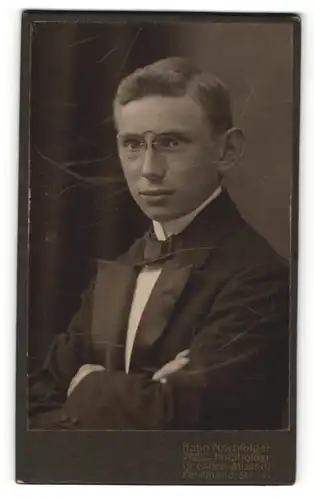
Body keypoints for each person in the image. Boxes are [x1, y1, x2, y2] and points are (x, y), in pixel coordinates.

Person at [28, 57, 289, 430]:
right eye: (133, 144)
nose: (149, 168)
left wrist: (87, 387)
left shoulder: (260, 277)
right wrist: (143, 395)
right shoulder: (119, 269)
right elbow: (31, 407)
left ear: (227, 150)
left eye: (171, 142)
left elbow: (181, 419)